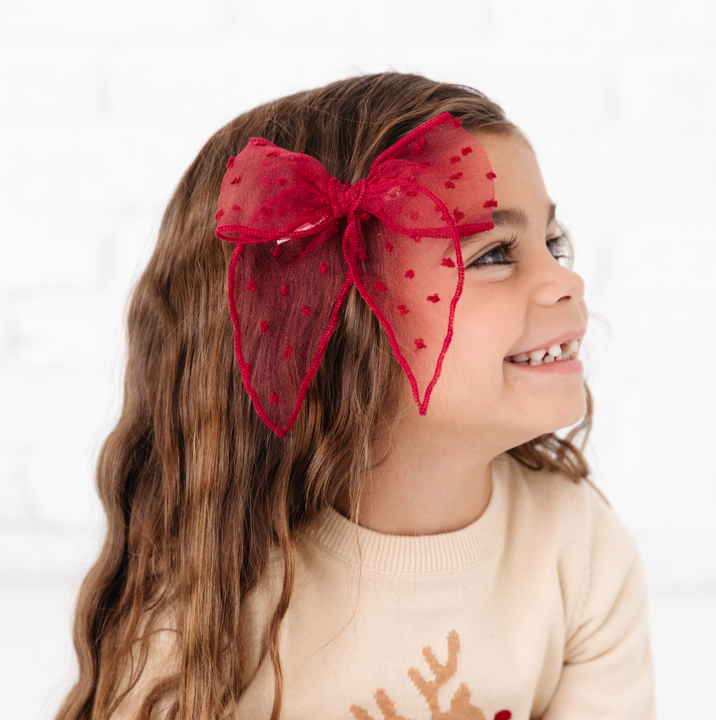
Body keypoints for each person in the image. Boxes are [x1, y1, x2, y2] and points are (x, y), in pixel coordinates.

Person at [56, 73, 655, 720]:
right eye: (493, 254)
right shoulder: (212, 599)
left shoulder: (580, 549)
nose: (566, 280)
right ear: (336, 316)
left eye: (553, 241)